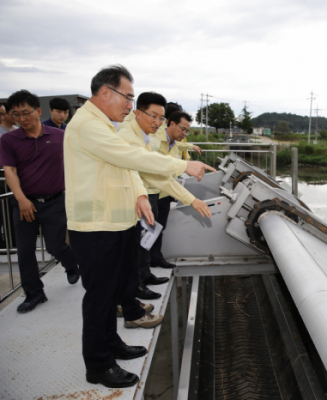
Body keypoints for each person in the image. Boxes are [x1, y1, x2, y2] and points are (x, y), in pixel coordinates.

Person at [64, 65, 211, 389]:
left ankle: (112, 344)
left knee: (112, 289)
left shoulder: (105, 125)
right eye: (128, 97)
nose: (130, 105)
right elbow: (133, 158)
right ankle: (99, 365)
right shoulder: (89, 126)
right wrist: (183, 165)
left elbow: (127, 165)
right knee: (100, 297)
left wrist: (141, 195)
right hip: (95, 226)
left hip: (114, 221)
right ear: (106, 93)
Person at [117, 93, 212, 305]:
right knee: (138, 240)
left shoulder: (143, 135)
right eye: (155, 117)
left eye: (160, 118)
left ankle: (144, 275)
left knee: (148, 233)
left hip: (153, 190)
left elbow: (157, 173)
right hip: (138, 195)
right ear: (137, 112)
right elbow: (153, 167)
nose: (157, 123)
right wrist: (185, 169)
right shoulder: (134, 137)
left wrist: (191, 199)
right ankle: (136, 285)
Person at [0, 90, 79, 313]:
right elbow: (10, 170)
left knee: (55, 246)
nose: (21, 119)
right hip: (24, 203)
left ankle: (71, 263)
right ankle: (34, 293)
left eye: (26, 113)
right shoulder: (9, 140)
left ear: (38, 111)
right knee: (25, 251)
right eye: (16, 115)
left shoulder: (60, 136)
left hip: (55, 202)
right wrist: (21, 199)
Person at [150, 105, 202, 269]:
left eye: (187, 131)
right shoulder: (154, 139)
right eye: (183, 129)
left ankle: (156, 258)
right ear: (171, 123)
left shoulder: (174, 143)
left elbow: (180, 146)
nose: (184, 134)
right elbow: (154, 166)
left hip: (165, 192)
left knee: (159, 228)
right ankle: (142, 271)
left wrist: (190, 146)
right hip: (150, 192)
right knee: (147, 230)